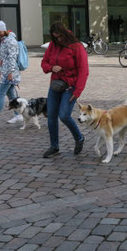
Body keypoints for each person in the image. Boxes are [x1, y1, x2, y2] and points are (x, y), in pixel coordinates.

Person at [41, 22, 89, 158]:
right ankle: (54, 146)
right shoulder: (52, 45)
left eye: (60, 37)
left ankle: (79, 138)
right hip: (56, 85)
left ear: (65, 33)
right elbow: (44, 63)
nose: (58, 40)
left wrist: (77, 91)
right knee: (51, 116)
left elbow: (84, 71)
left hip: (70, 86)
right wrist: (51, 67)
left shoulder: (77, 47)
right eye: (55, 37)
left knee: (64, 115)